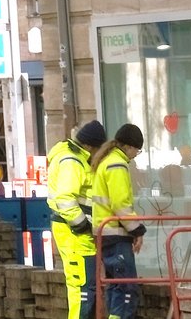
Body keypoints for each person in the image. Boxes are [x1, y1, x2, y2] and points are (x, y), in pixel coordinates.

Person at [47, 120, 107, 319]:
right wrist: (82, 224)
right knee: (82, 289)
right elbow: (64, 198)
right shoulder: (72, 161)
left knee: (85, 287)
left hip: (74, 233)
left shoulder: (73, 157)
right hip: (74, 233)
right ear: (90, 145)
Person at [91, 123, 147, 319]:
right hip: (115, 236)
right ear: (129, 147)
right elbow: (121, 204)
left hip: (106, 235)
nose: (134, 156)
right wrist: (137, 230)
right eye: (136, 151)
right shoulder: (117, 164)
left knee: (116, 287)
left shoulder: (106, 161)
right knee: (127, 290)